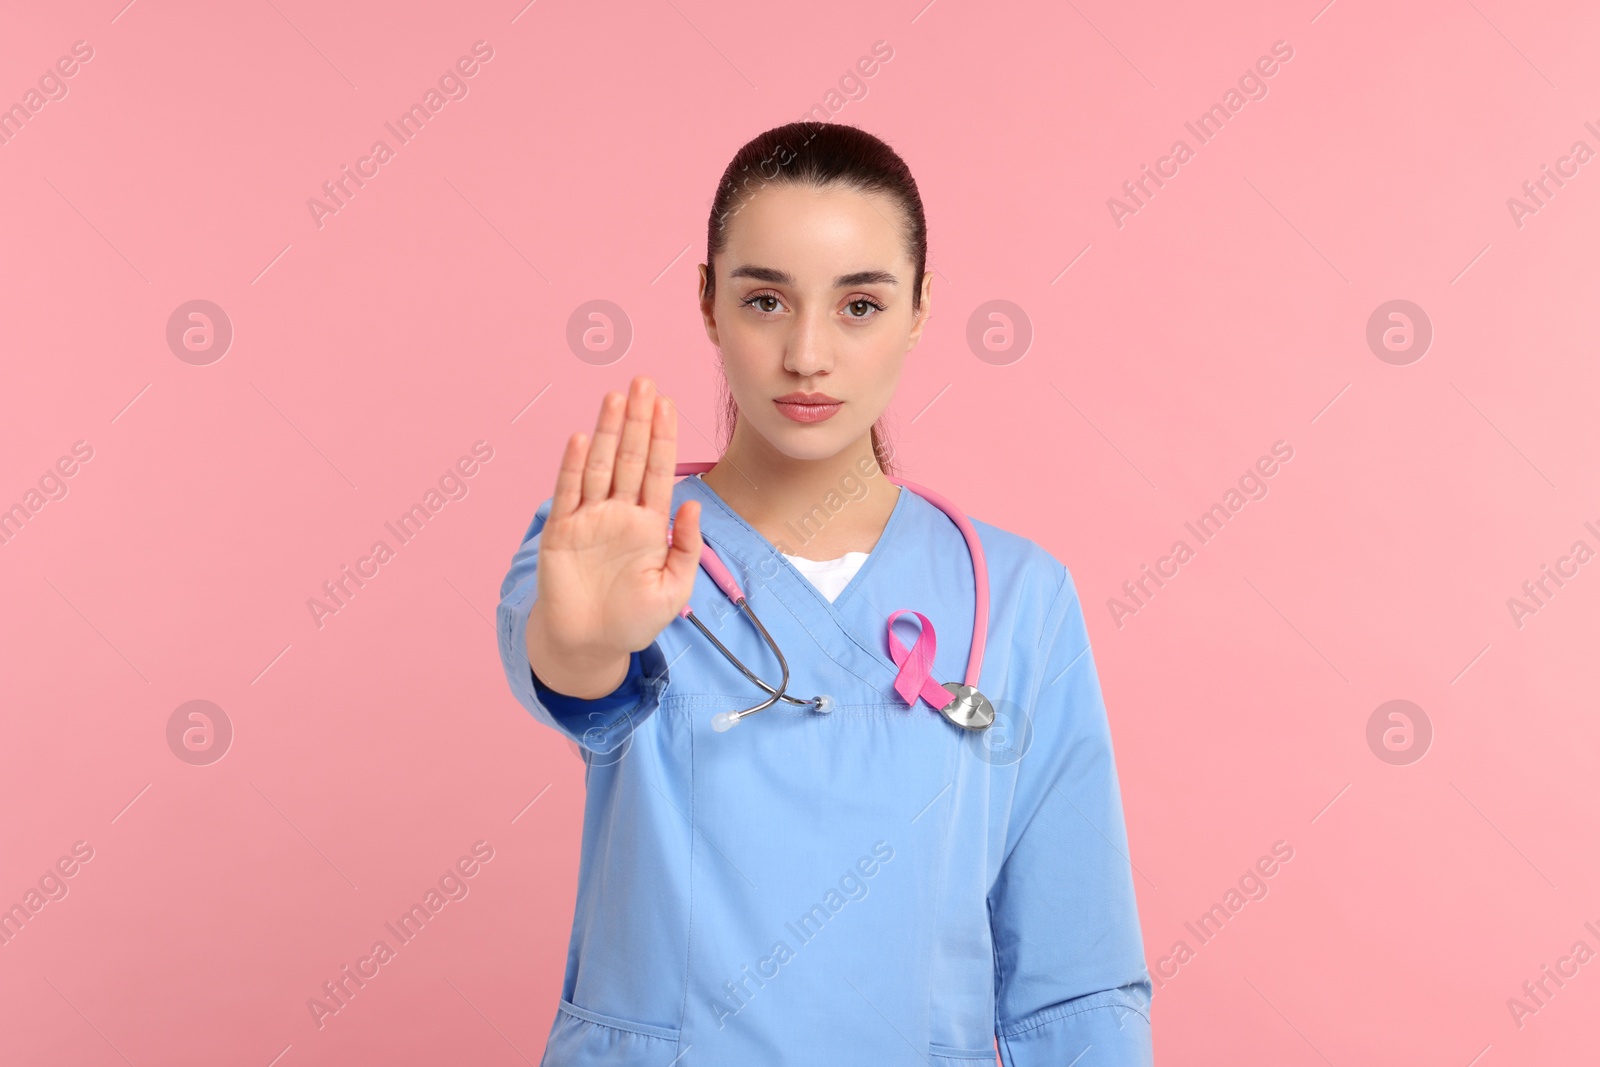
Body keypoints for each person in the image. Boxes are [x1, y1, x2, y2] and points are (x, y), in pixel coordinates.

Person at [496, 122, 1152, 1065]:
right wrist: (586, 642)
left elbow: (1074, 973)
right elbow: (566, 669)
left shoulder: (1018, 596)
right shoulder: (613, 542)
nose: (807, 353)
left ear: (921, 308)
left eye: (859, 306)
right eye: (765, 299)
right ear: (708, 303)